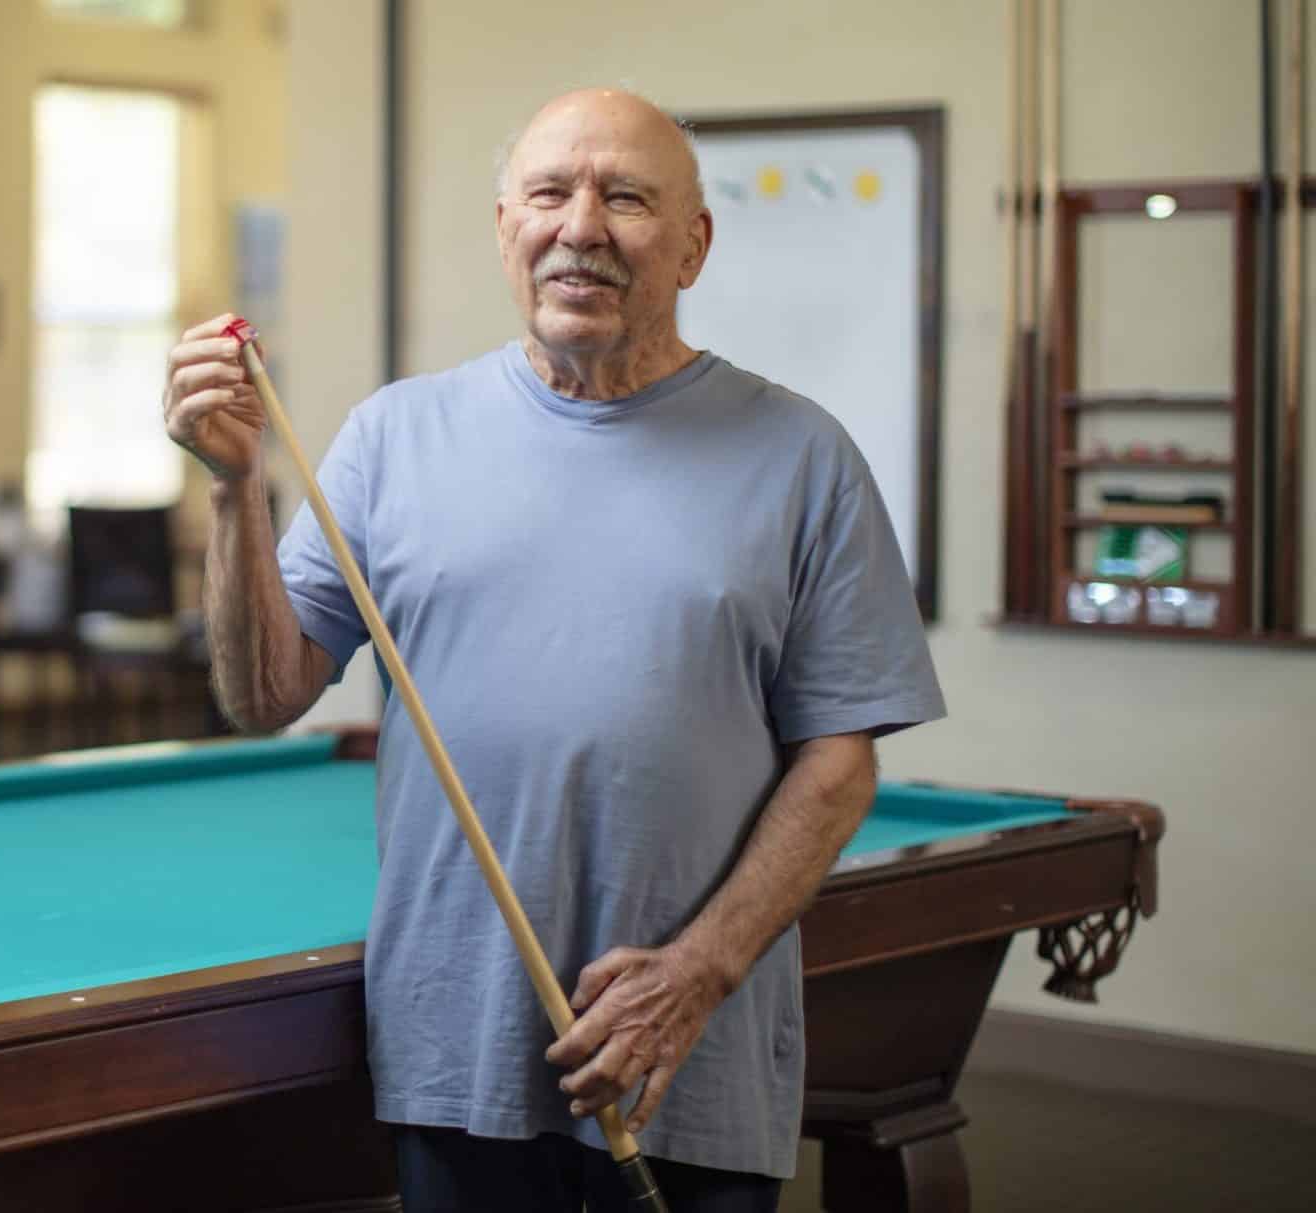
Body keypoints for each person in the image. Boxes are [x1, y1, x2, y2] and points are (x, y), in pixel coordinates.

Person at [161, 87, 945, 1212]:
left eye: (626, 197)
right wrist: (238, 490)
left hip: (692, 1038)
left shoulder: (803, 455)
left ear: (694, 245)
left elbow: (838, 762)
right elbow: (263, 692)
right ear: (505, 229)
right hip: (453, 1038)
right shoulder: (393, 437)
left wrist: (697, 972)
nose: (580, 225)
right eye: (548, 193)